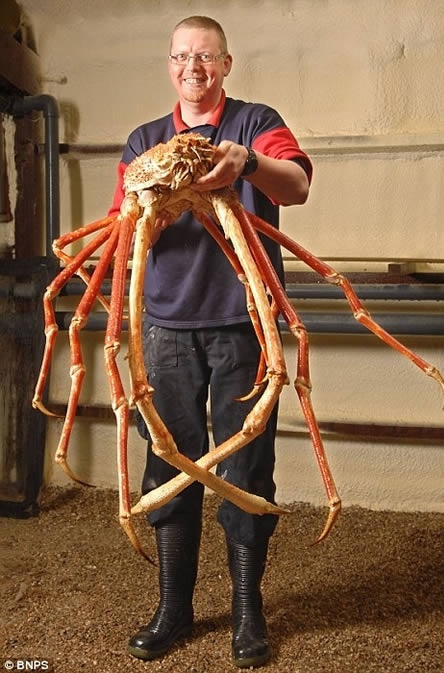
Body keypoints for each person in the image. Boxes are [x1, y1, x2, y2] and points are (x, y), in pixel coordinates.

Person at [108, 15, 312, 669]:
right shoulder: (145, 141)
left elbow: (297, 184)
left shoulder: (253, 124)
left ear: (226, 64)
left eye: (205, 56)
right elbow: (118, 231)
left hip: (242, 323)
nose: (192, 67)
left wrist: (245, 164)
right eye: (181, 56)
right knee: (167, 463)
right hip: (166, 325)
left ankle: (248, 609)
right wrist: (153, 206)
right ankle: (174, 607)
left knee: (246, 465)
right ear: (170, 65)